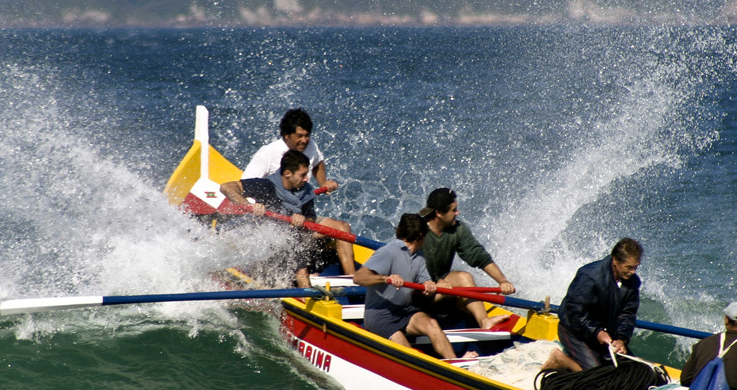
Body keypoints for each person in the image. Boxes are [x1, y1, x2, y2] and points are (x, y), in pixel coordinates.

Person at [242, 108, 354, 275]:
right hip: (277, 221)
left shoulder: (310, 146)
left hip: (303, 216)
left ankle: (352, 280)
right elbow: (245, 184)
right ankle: (299, 275)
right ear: (287, 135)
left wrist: (323, 182)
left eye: (307, 135)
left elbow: (318, 161)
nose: (304, 140)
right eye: (299, 136)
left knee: (343, 228)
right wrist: (255, 209)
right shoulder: (268, 153)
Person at [219, 150, 353, 288]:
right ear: (288, 174)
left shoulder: (305, 190)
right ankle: (306, 294)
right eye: (302, 175)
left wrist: (303, 222)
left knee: (334, 232)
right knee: (294, 250)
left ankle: (352, 282)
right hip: (268, 247)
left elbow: (311, 219)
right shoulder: (265, 186)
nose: (307, 179)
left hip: (294, 238)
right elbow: (226, 187)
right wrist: (248, 205)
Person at [353, 213, 458, 359]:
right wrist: (385, 278)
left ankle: (455, 363)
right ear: (421, 235)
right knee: (407, 351)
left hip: (405, 311)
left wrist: (429, 286)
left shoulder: (419, 258)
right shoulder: (389, 251)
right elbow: (358, 278)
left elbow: (425, 285)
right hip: (379, 315)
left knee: (432, 324)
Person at [419, 187, 515, 329]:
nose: (458, 213)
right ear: (438, 213)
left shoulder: (457, 229)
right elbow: (410, 265)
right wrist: (433, 281)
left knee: (464, 277)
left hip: (440, 290)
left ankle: (484, 321)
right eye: (454, 210)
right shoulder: (418, 231)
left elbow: (479, 256)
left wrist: (503, 281)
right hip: (418, 289)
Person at [557, 238, 643, 370]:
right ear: (615, 261)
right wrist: (596, 332)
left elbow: (627, 314)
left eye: (636, 267)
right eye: (629, 267)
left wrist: (621, 339)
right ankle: (561, 360)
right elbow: (575, 312)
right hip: (574, 330)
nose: (633, 272)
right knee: (596, 372)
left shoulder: (632, 282)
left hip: (603, 332)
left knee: (633, 369)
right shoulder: (590, 276)